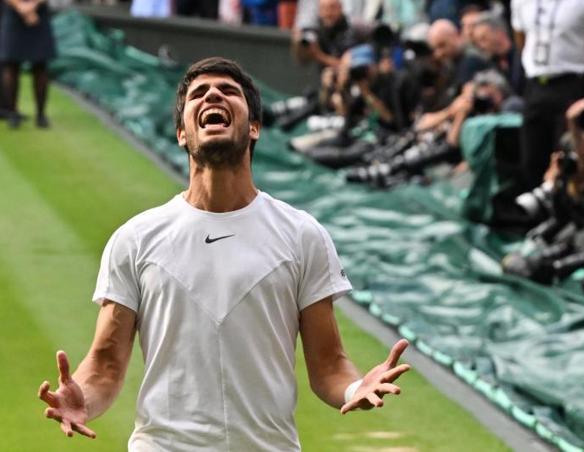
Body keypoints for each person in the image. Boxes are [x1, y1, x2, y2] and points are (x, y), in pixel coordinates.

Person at [37, 57, 410, 450]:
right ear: (182, 133)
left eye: (228, 91)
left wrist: (354, 387)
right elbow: (106, 364)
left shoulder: (302, 235)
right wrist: (84, 398)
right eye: (198, 94)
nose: (213, 94)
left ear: (253, 128)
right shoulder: (135, 239)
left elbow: (329, 364)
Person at [511, 0, 584, 190]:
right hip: (536, 84)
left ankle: (570, 210)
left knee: (568, 156)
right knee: (532, 157)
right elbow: (521, 35)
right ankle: (538, 209)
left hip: (573, 83)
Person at [0, 0, 57, 128]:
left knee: (40, 65)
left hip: (39, 15)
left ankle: (41, 115)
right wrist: (20, 6)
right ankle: (13, 113)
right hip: (13, 14)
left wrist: (31, 6)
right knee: (11, 65)